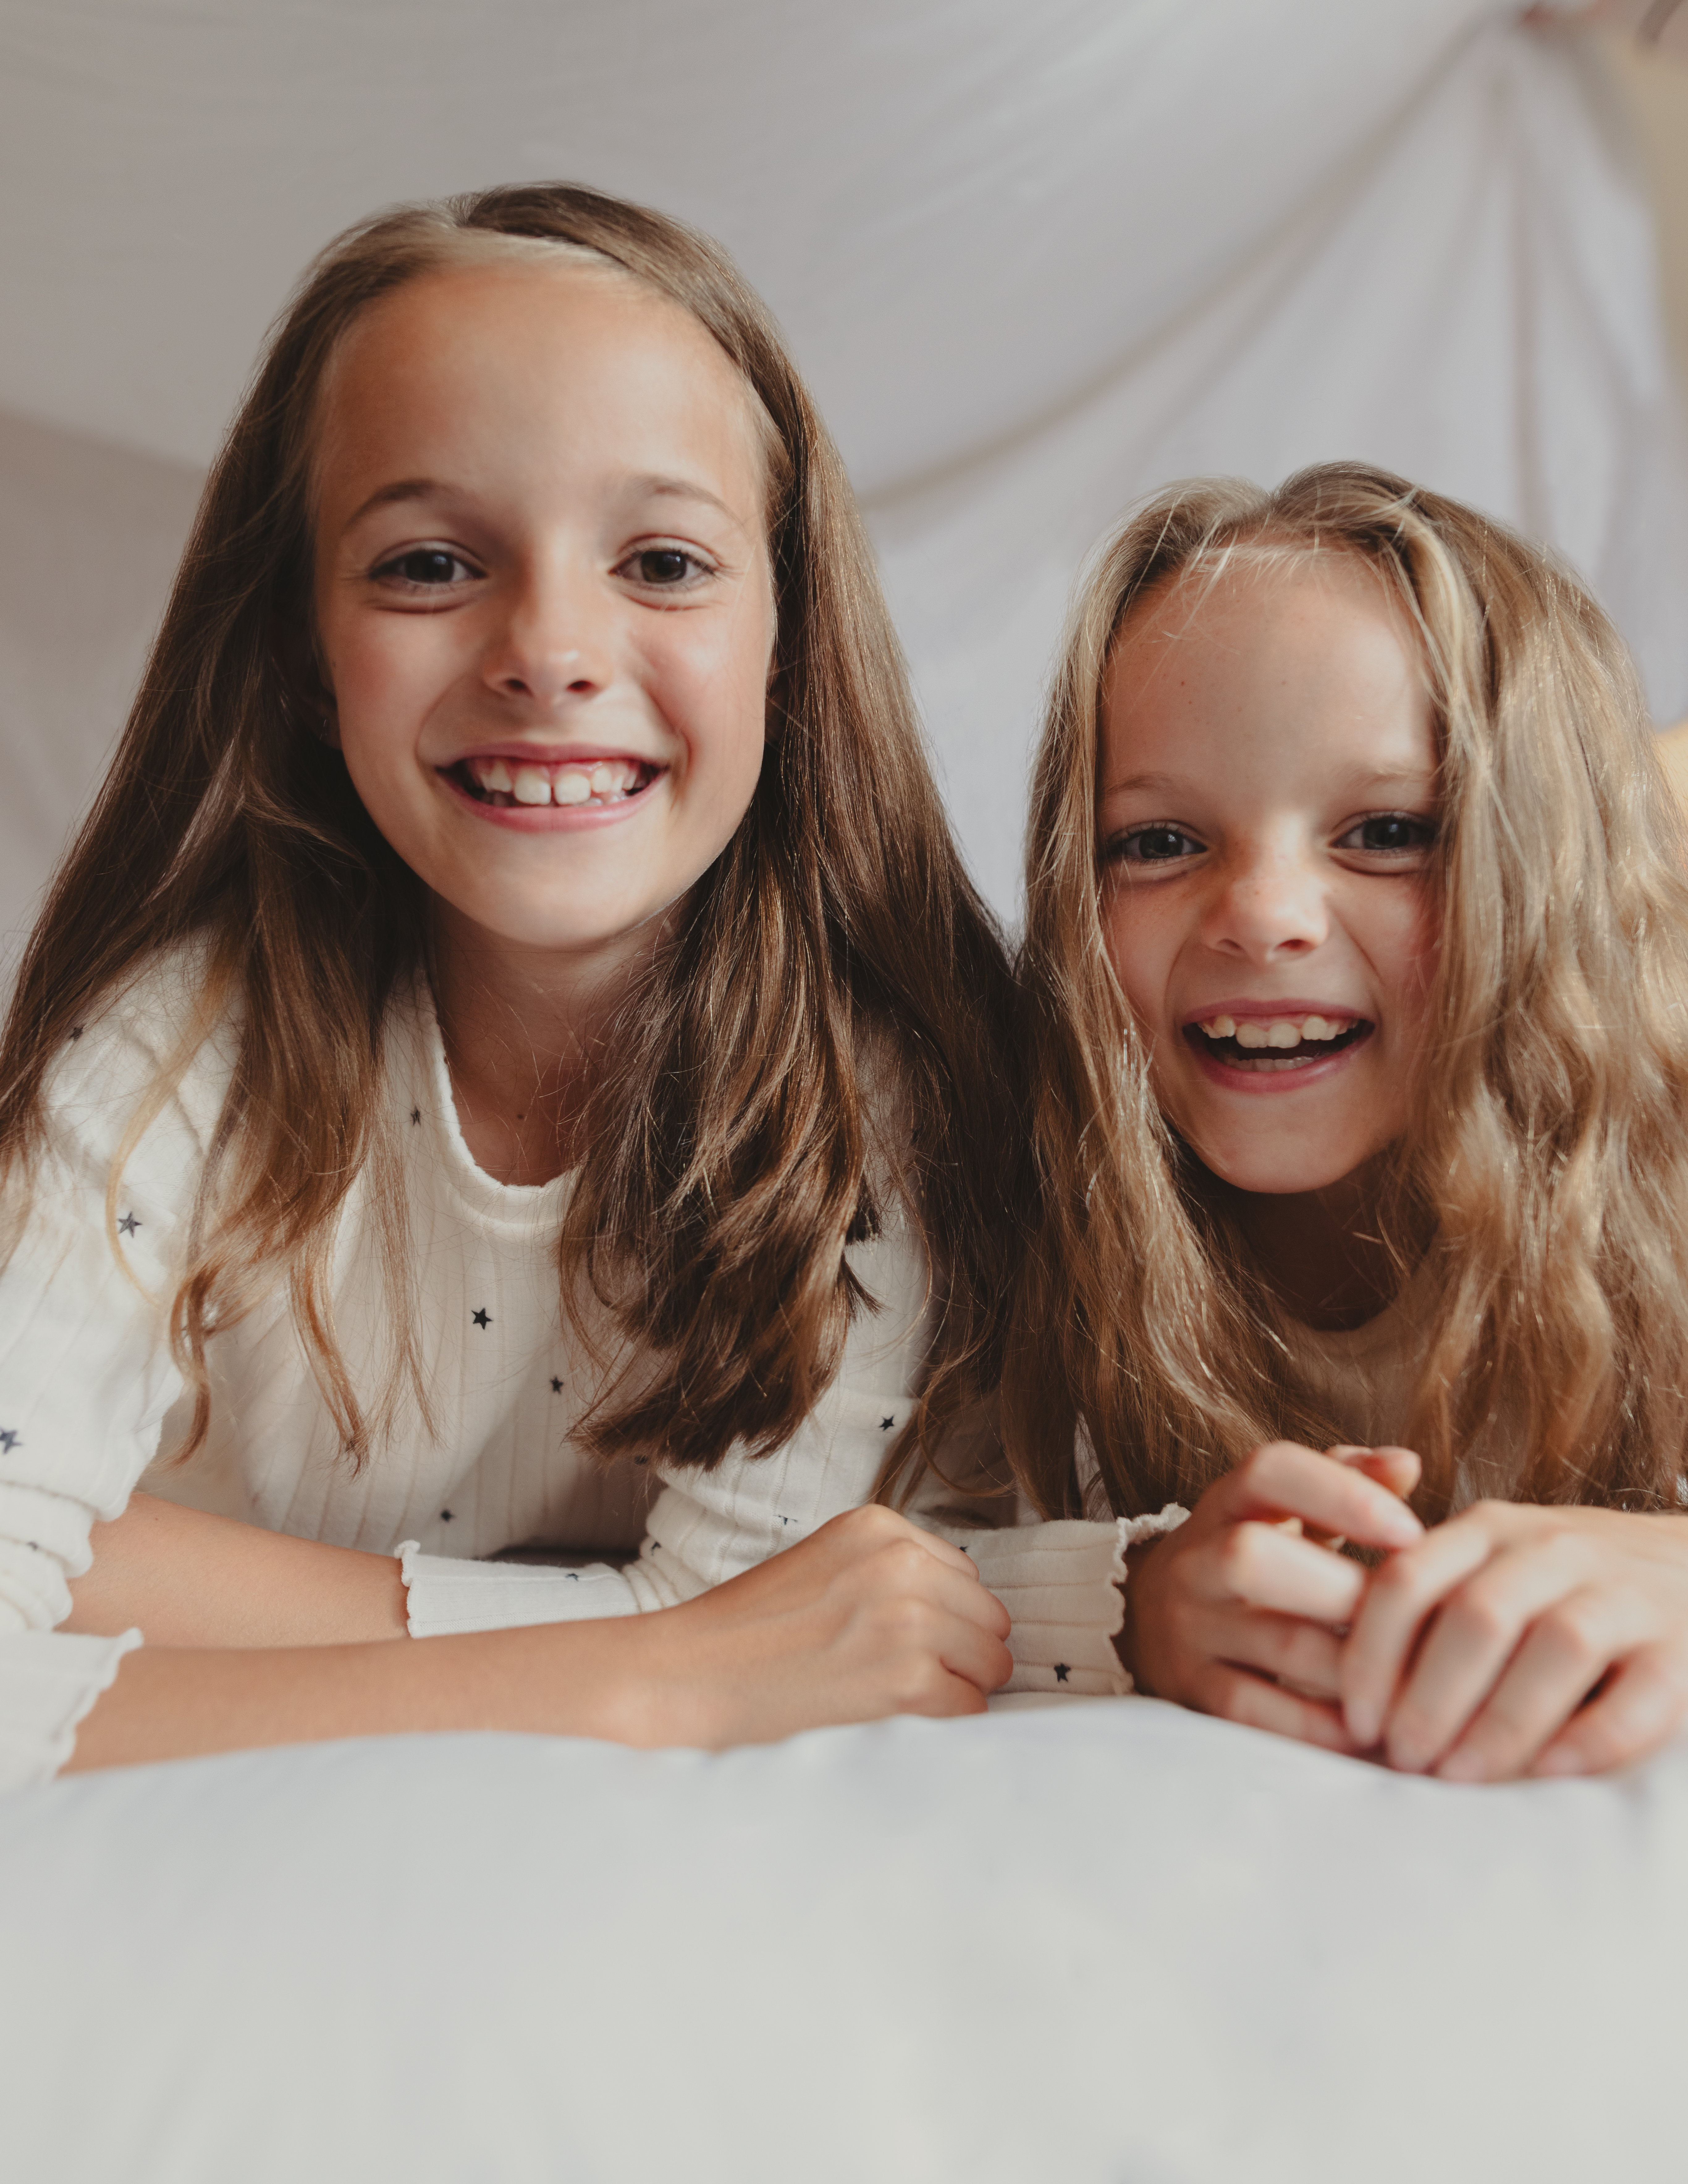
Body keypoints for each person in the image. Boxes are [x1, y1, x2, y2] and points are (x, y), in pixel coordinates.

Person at [0, 184, 1130, 1789]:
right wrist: (644, 1673)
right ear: (304, 652)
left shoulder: (868, 1096)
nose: (547, 648)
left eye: (661, 562)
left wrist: (139, 1579)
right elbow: (710, 1653)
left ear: (788, 639)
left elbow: (767, 1629)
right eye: (428, 564)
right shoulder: (177, 1049)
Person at [1008, 461, 1688, 1782]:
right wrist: (1127, 1600)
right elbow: (852, 1558)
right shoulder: (1004, 1201)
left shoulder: (1653, 1158)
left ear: (1543, 876)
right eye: (1156, 842)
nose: (1263, 915)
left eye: (1385, 831)